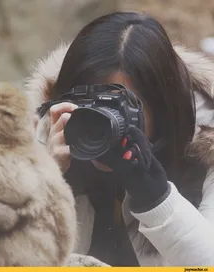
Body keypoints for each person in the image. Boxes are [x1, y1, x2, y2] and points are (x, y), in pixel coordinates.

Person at [25, 11, 214, 266]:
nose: (102, 120)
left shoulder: (207, 142)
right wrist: (49, 185)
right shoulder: (52, 127)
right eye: (91, 105)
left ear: (163, 108)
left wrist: (156, 197)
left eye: (122, 104)